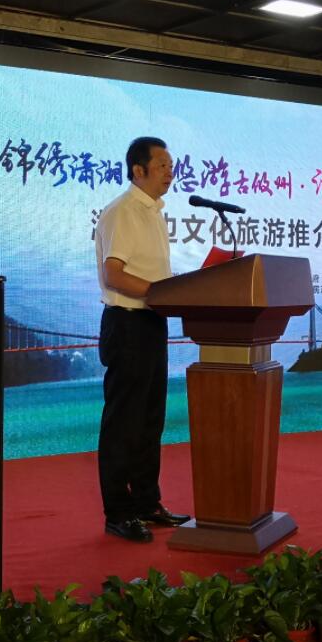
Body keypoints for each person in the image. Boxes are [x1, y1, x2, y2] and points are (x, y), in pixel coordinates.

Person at [94, 137, 191, 543]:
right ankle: (118, 512)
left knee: (150, 420)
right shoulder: (123, 211)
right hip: (127, 323)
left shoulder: (153, 212)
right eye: (163, 165)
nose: (171, 172)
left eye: (172, 165)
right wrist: (160, 293)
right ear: (139, 170)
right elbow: (113, 274)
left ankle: (147, 503)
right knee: (124, 422)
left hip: (151, 322)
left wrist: (169, 294)